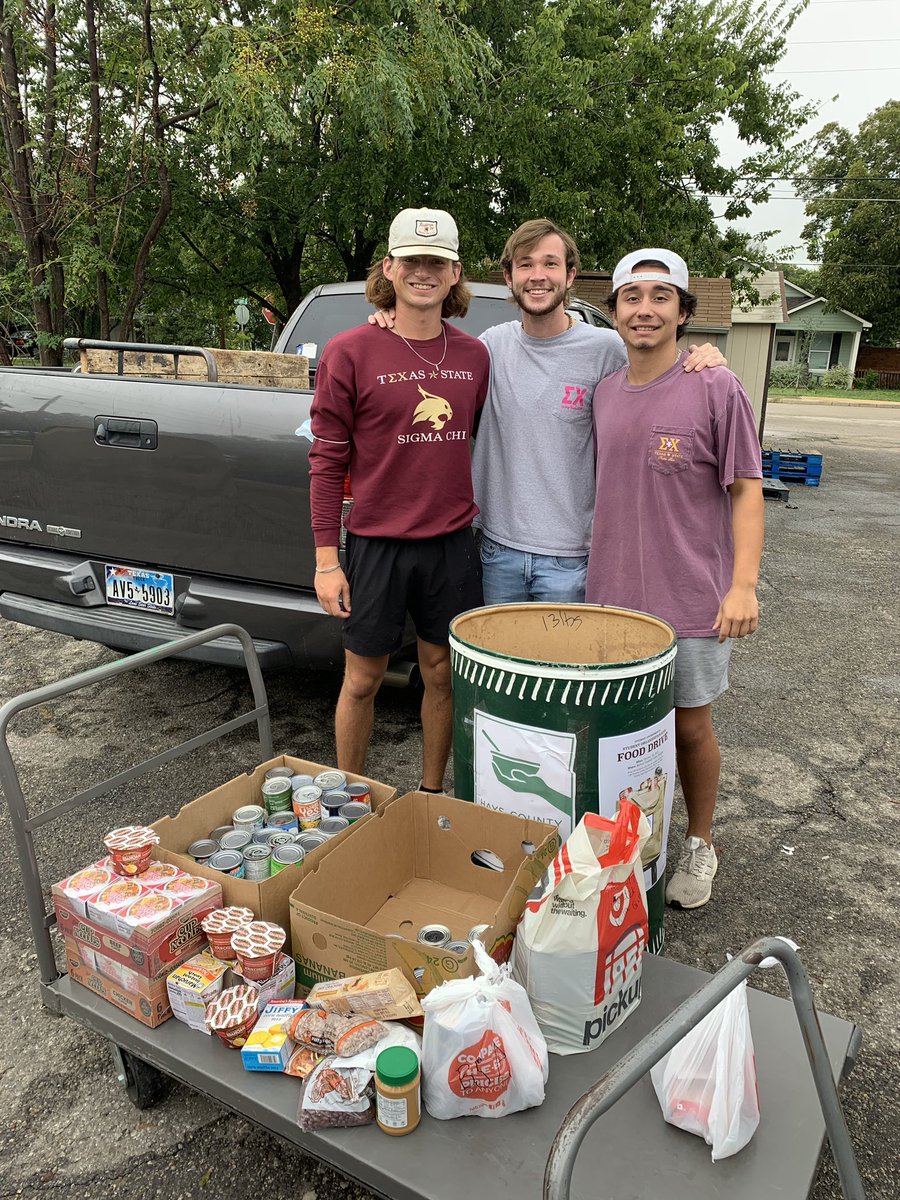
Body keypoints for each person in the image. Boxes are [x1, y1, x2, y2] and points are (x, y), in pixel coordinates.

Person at [375, 218, 727, 605]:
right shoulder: (487, 349)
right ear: (508, 277)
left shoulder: (608, 349)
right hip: (494, 552)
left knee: (562, 666)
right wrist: (389, 321)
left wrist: (701, 357)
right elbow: (425, 371)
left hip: (574, 560)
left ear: (570, 274)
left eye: (550, 263)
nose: (537, 275)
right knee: (499, 666)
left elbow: (659, 376)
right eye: (525, 264)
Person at [586, 248, 764, 909]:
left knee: (690, 729)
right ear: (615, 313)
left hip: (690, 601)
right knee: (625, 734)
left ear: (684, 313)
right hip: (611, 602)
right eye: (632, 296)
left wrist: (743, 585)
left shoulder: (716, 387)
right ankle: (630, 841)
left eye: (662, 297)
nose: (645, 308)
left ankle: (699, 843)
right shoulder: (606, 392)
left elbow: (747, 490)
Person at [309, 207, 490, 791]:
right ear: (389, 267)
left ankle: (432, 794)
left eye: (436, 262)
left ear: (455, 272)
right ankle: (348, 802)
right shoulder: (350, 350)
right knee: (362, 679)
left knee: (442, 676)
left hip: (450, 545)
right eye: (411, 259)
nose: (423, 271)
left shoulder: (474, 357)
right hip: (376, 543)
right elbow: (327, 459)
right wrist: (326, 561)